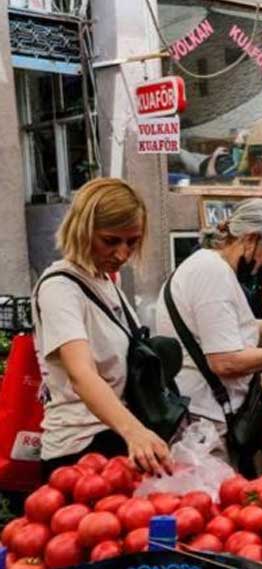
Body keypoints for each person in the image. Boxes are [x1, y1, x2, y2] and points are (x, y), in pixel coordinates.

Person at [154, 199, 262, 464]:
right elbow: (224, 361)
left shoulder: (210, 268)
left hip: (208, 417)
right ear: (250, 238)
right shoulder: (211, 273)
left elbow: (232, 332)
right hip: (206, 423)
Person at [33, 178, 173, 476]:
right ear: (82, 230)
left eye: (132, 242)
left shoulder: (107, 281)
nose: (122, 254)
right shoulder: (60, 288)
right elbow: (81, 373)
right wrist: (134, 431)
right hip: (79, 451)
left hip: (116, 439)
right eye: (110, 241)